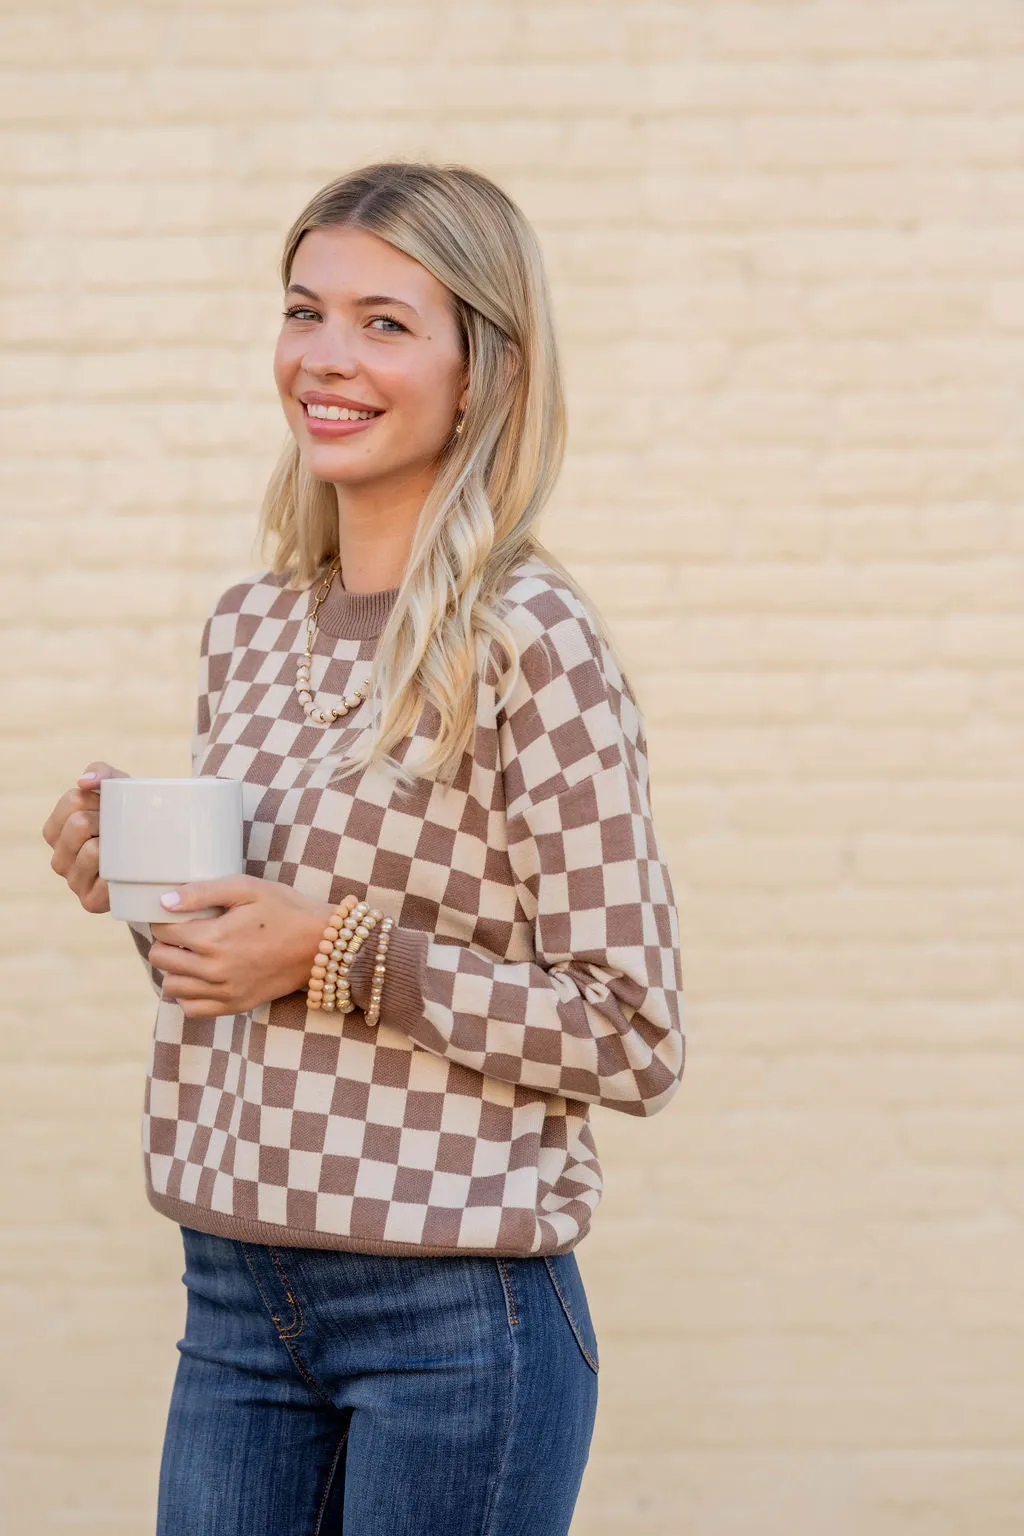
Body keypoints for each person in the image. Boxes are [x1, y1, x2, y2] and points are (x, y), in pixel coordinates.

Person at [42, 161, 685, 1536]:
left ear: (482, 372)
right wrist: (145, 883)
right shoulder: (249, 627)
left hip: (451, 1319)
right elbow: (241, 981)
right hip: (231, 1294)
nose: (327, 359)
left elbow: (633, 1034)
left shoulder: (534, 645)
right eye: (305, 311)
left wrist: (332, 948)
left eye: (387, 323)